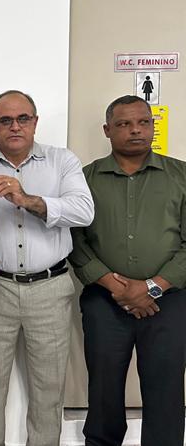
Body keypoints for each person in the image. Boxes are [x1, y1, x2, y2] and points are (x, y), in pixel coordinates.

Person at [0, 90, 94, 446]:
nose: (15, 126)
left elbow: (84, 212)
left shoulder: (62, 161)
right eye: (5, 120)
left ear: (35, 122)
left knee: (48, 390)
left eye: (23, 119)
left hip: (50, 288)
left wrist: (27, 200)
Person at [69, 95, 186, 446]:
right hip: (105, 302)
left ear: (152, 126)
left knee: (166, 386)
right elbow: (75, 241)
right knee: (103, 388)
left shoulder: (181, 175)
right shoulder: (84, 179)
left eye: (143, 122)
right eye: (124, 124)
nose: (136, 130)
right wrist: (117, 288)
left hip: (170, 301)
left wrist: (153, 287)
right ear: (107, 130)